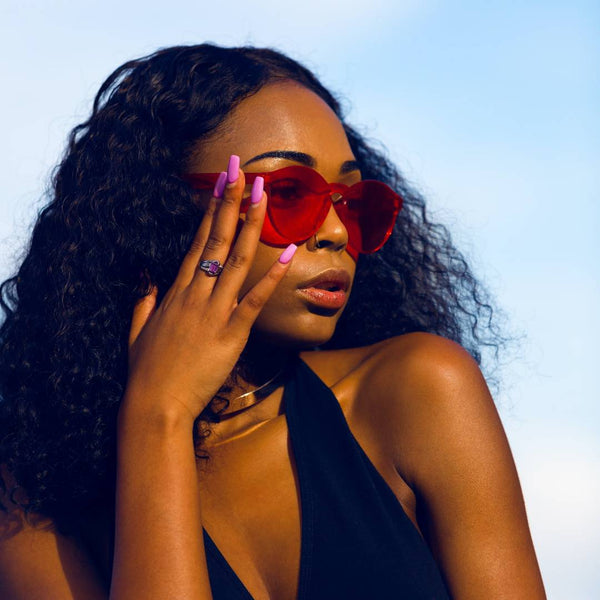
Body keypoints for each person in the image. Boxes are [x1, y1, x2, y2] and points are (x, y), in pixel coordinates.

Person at [0, 43, 546, 599]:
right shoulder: (32, 494)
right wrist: (156, 418)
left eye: (353, 202)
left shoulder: (419, 389)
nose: (335, 232)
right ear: (157, 209)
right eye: (287, 193)